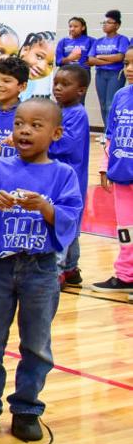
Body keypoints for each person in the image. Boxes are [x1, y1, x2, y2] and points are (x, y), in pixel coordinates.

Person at [0, 99, 83, 441]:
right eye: (19, 124)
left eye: (35, 125)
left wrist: (46, 207)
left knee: (36, 344)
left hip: (41, 270)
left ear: (56, 133)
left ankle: (27, 408)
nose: (24, 131)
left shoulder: (63, 175)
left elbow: (70, 221)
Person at [49, 64, 91, 286]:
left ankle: (56, 270)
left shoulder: (77, 114)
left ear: (80, 90)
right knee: (70, 223)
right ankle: (72, 267)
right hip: (56, 177)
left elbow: (64, 144)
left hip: (70, 179)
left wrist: (41, 139)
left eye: (65, 84)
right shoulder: (59, 111)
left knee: (64, 222)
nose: (58, 88)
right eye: (56, 83)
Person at [95, 54, 133, 293]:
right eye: (127, 63)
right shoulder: (121, 96)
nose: (129, 69)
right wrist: (104, 164)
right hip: (122, 173)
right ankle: (126, 275)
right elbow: (110, 135)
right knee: (126, 229)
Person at [86, 10, 129, 124]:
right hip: (100, 74)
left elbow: (120, 57)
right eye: (104, 22)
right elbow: (90, 59)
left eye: (109, 22)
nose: (105, 24)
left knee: (111, 103)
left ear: (117, 25)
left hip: (115, 74)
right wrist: (109, 60)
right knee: (103, 103)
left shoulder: (122, 39)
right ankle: (106, 132)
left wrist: (100, 57)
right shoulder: (98, 41)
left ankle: (111, 132)